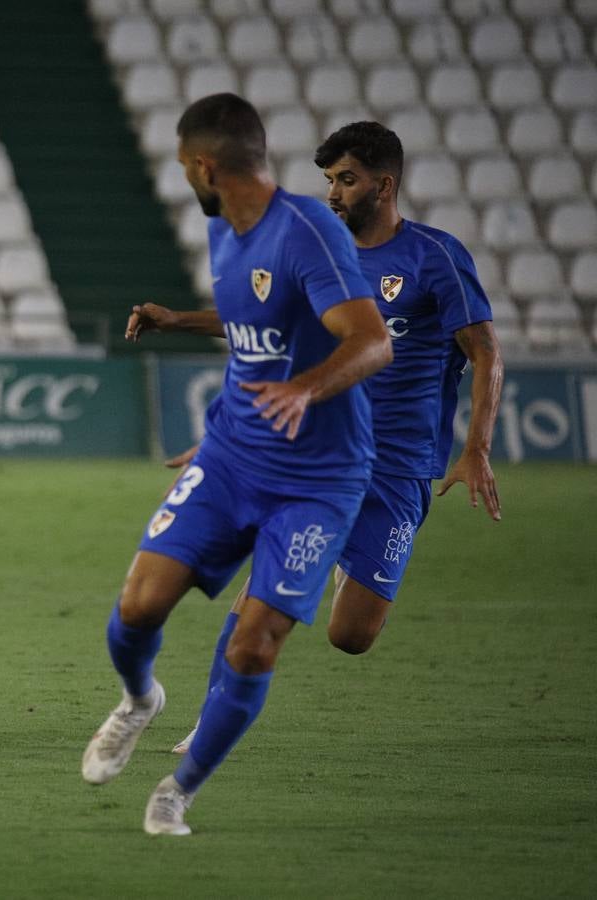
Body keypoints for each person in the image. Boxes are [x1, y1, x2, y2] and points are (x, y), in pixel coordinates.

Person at [132, 122, 504, 756]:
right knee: (263, 592)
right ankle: (212, 718)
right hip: (320, 454)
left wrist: (476, 449)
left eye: (348, 180)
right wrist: (180, 320)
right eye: (330, 180)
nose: (333, 193)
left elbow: (486, 351)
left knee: (351, 636)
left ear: (384, 186)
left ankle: (344, 562)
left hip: (400, 466)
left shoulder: (434, 257)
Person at [79, 94, 392, 835]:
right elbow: (258, 314)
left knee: (255, 642)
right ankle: (138, 701)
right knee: (137, 607)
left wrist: (305, 387)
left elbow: (373, 340)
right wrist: (179, 320)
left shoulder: (307, 229)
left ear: (202, 165)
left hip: (317, 482)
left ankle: (178, 789)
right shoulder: (224, 229)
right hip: (232, 458)